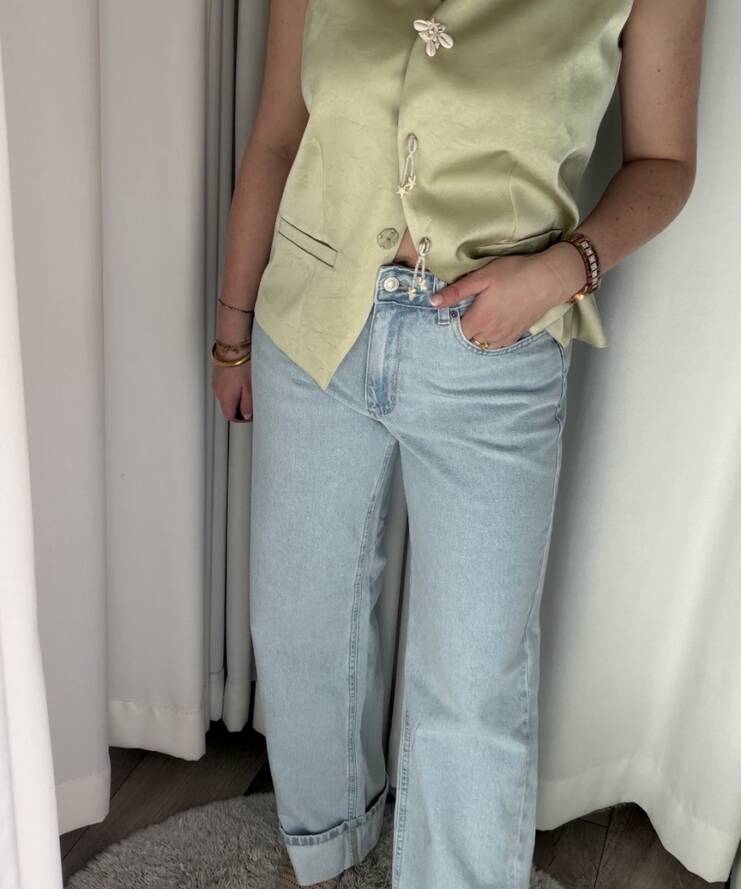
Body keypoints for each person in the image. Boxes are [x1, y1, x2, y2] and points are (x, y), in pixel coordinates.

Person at [211, 1, 707, 887]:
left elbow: (663, 163)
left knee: (474, 685)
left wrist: (560, 272)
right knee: (298, 624)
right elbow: (279, 135)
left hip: (494, 352)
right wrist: (232, 332)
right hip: (312, 325)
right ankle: (328, 849)